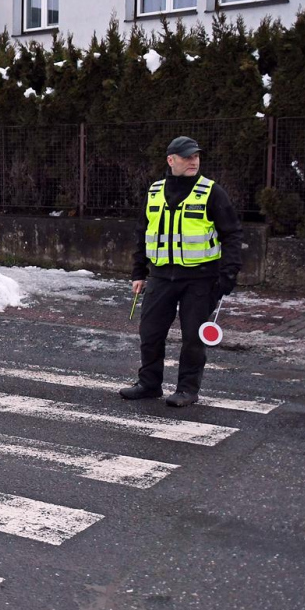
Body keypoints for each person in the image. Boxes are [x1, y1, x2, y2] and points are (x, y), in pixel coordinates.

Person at [119, 136, 242, 407]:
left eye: (196, 156)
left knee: (193, 337)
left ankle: (187, 389)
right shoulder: (154, 191)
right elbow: (143, 233)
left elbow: (231, 235)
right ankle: (149, 384)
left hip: (200, 279)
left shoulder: (212, 192)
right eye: (187, 156)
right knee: (150, 332)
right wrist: (138, 272)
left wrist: (228, 275)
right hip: (161, 276)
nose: (193, 161)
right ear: (171, 160)